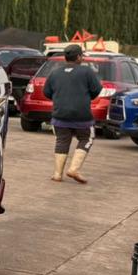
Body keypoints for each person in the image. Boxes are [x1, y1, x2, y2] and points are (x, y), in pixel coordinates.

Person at [44, 44, 102, 184]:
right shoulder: (86, 72)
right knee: (87, 138)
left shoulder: (55, 72)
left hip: (59, 116)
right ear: (78, 57)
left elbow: (46, 92)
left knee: (62, 141)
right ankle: (74, 169)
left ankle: (57, 174)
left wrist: (61, 99)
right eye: (81, 55)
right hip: (82, 116)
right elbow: (96, 90)